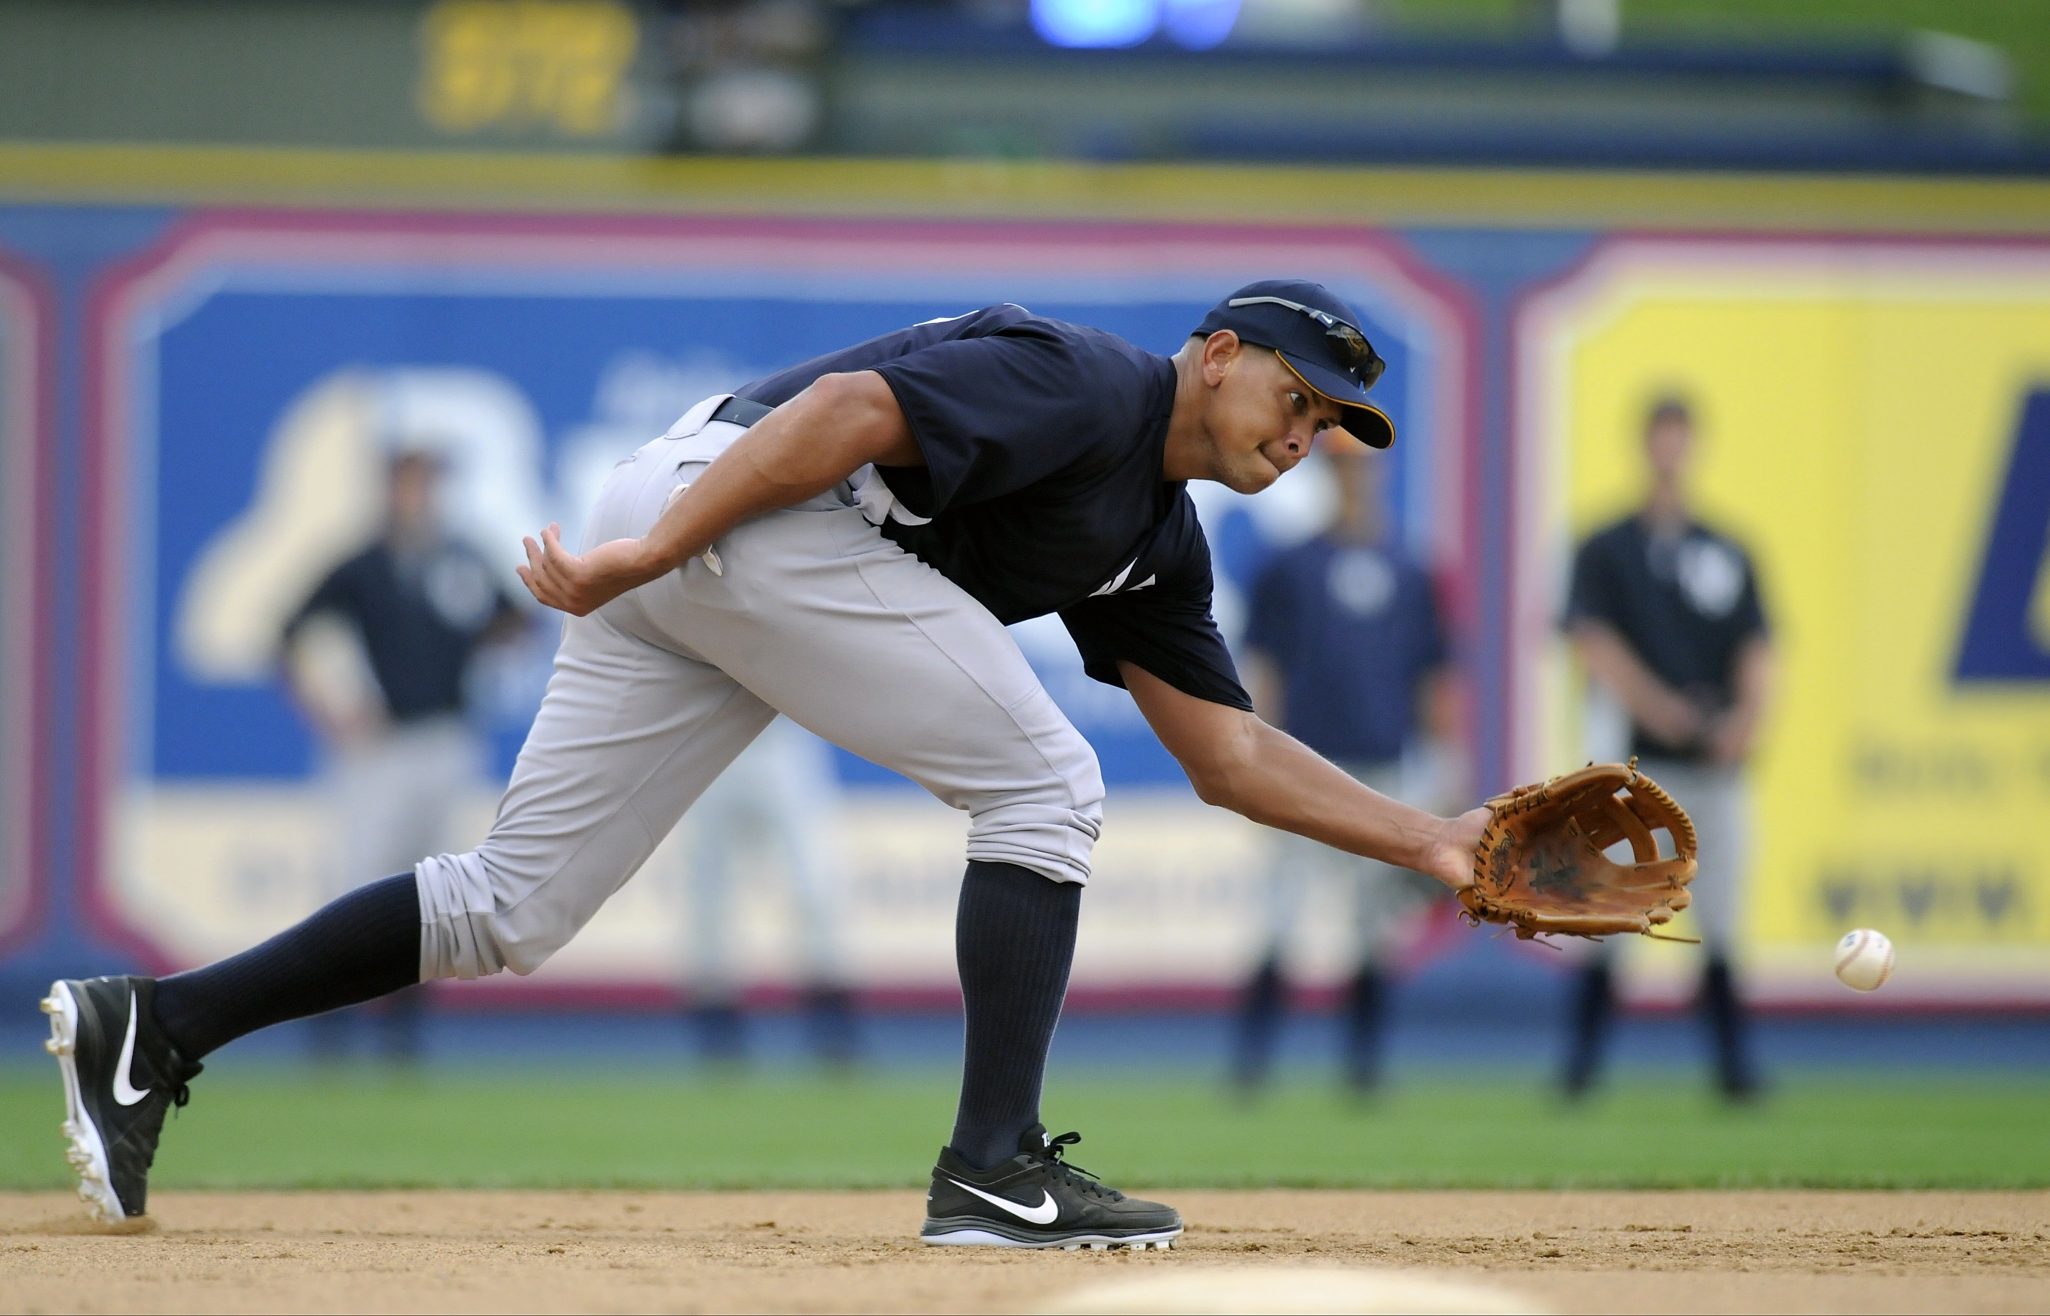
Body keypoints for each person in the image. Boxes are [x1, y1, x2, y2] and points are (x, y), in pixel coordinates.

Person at [41, 280, 1490, 1247]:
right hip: (740, 509)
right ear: (1218, 353)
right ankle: (992, 1163)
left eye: (1325, 427)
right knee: (1045, 786)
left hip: (713, 534)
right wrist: (650, 555)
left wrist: (1434, 844)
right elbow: (846, 416)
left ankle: (151, 1029)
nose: (1301, 437)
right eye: (1293, 399)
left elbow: (1227, 757)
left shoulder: (1155, 545)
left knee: (509, 906)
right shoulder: (1089, 383)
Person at [279, 447, 525, 1065]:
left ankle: (403, 1030)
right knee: (358, 882)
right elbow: (291, 632)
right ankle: (329, 1023)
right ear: (390, 489)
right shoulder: (363, 567)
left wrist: (474, 657)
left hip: (446, 737)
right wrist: (331, 709)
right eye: (411, 483)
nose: (420, 496)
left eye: (430, 483)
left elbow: (515, 617)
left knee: (429, 890)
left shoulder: (460, 559)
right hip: (382, 747)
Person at [1560, 396, 1773, 1101]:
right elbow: (1595, 644)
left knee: (1719, 919)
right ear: (1645, 445)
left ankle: (1734, 1074)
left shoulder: (1727, 548)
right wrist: (1665, 711)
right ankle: (1580, 1073)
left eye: (1680, 440)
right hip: (1638, 770)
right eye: (1661, 439)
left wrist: (1744, 720)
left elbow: (1757, 647)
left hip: (1716, 768)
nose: (1670, 452)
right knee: (1614, 915)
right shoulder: (1607, 549)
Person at [1231, 435, 1457, 1095]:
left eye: (1361, 465)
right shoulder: (1289, 566)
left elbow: (1433, 679)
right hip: (1301, 766)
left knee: (1372, 929)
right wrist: (1254, 766)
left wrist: (1444, 769)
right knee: (1279, 918)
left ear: (1380, 471)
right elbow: (1264, 671)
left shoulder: (1411, 569)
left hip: (1379, 769)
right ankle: (1252, 1067)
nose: (1352, 477)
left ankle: (1364, 1069)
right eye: (1342, 466)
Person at [676, 715, 860, 1066]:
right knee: (708, 897)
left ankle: (833, 1031)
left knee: (815, 889)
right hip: (708, 742)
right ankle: (717, 1033)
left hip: (780, 739)